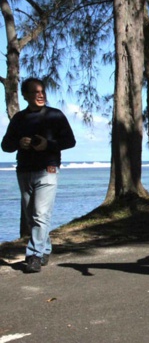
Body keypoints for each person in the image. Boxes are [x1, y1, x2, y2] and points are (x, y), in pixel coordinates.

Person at [1, 77, 76, 273]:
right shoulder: (19, 118)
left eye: (42, 91)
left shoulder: (55, 115)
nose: (41, 95)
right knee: (31, 216)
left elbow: (70, 141)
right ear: (25, 95)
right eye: (35, 92)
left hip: (48, 169)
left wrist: (48, 144)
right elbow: (5, 145)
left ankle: (33, 255)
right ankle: (45, 249)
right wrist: (20, 142)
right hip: (24, 171)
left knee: (41, 214)